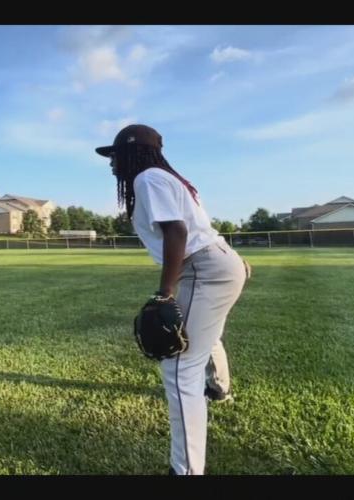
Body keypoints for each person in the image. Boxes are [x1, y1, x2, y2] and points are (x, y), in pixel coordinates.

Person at [96, 124, 250, 475]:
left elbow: (178, 232)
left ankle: (186, 471)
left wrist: (164, 293)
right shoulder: (170, 178)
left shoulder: (147, 178)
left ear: (134, 153)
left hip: (204, 268)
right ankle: (220, 388)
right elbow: (199, 229)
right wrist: (235, 261)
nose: (111, 163)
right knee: (202, 336)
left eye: (115, 155)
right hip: (217, 262)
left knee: (179, 367)